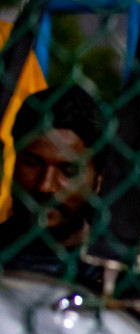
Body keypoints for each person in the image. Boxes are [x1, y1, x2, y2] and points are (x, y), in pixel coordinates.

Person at [0, 86, 109, 291]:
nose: (45, 185)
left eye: (68, 171)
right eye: (32, 164)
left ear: (98, 180)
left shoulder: (118, 271)